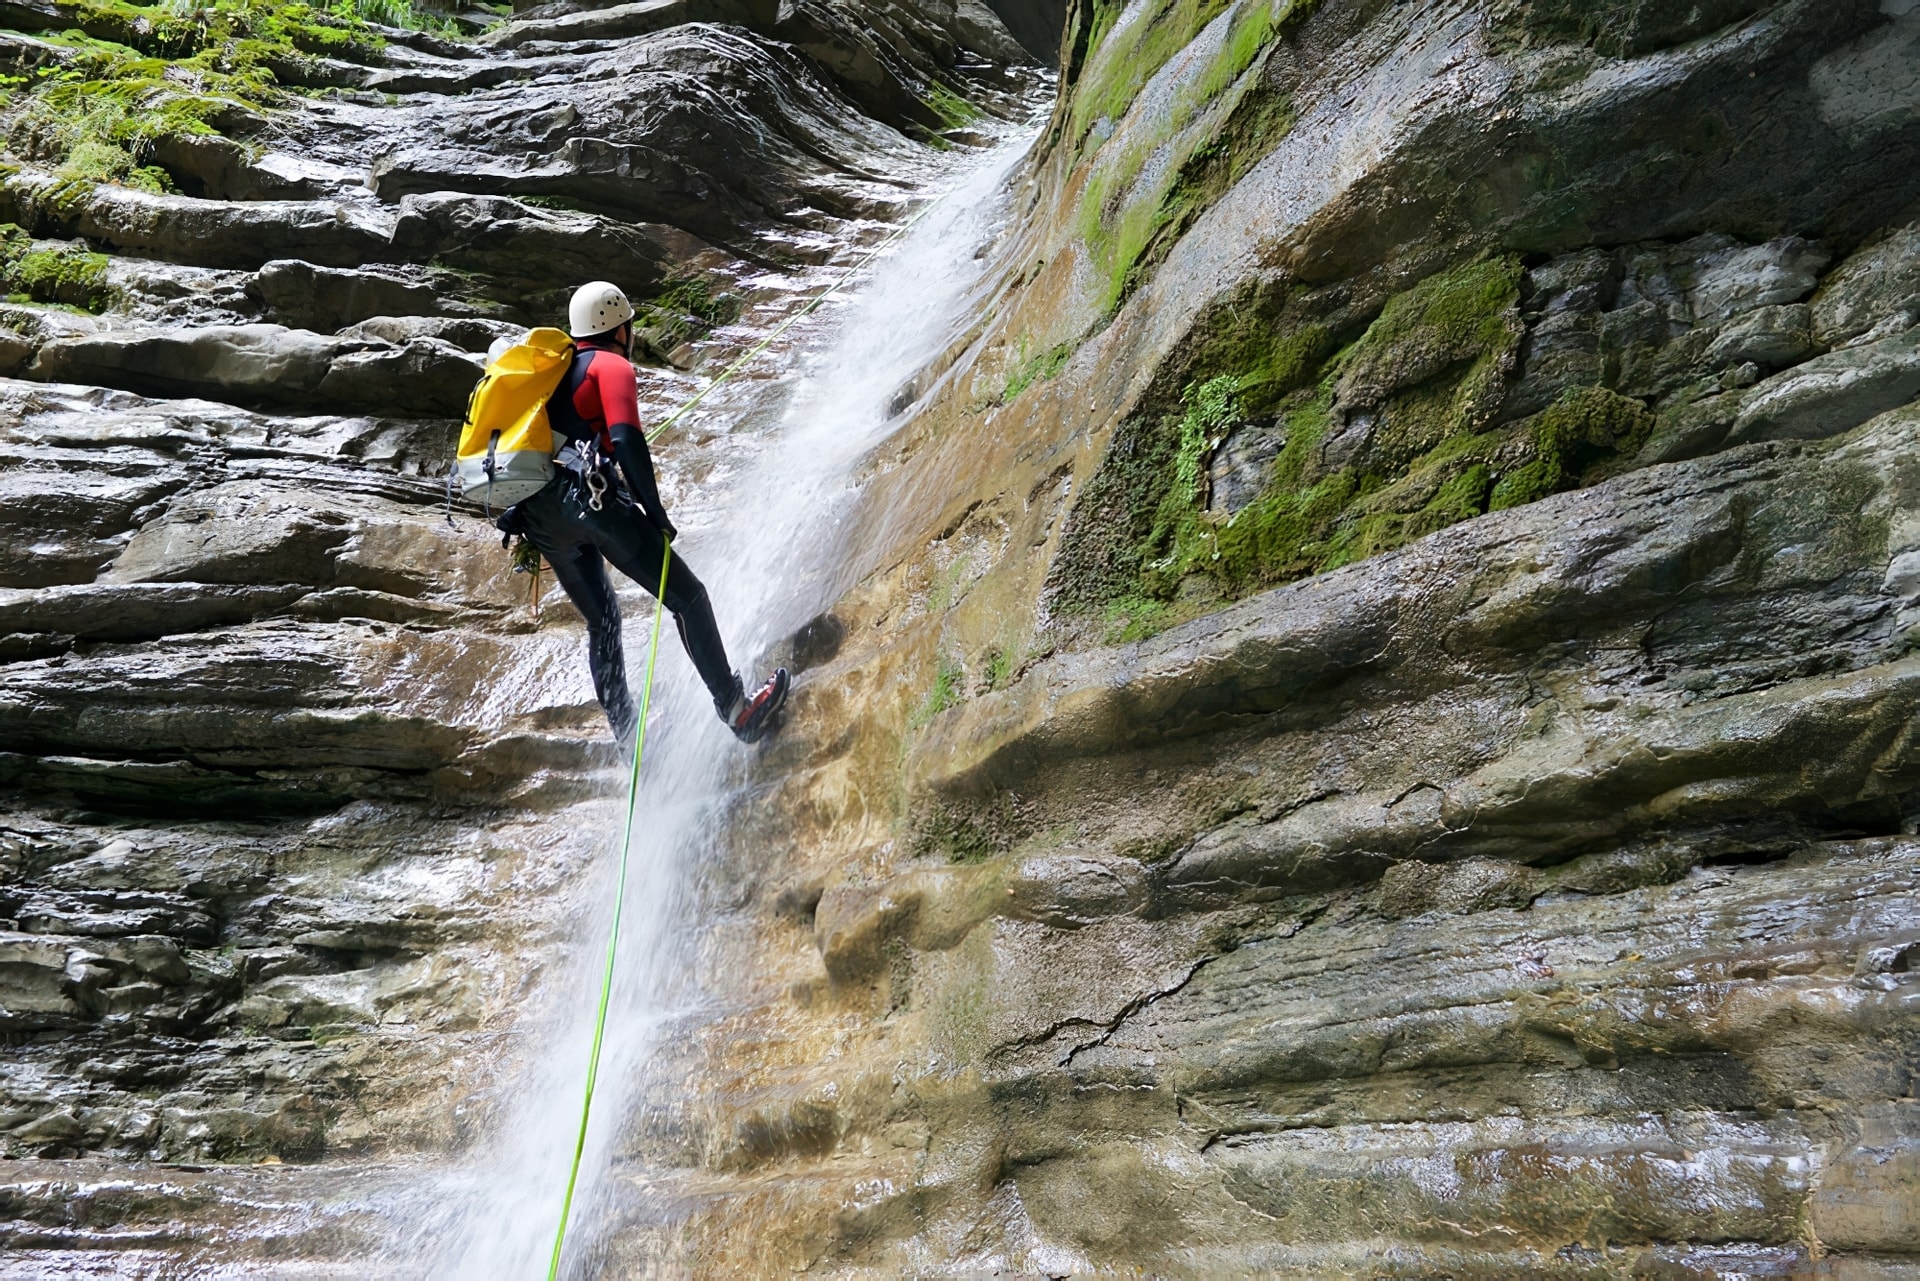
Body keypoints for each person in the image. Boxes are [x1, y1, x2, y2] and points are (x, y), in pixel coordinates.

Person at [498, 281, 788, 745]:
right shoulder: (609, 366)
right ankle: (735, 707)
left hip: (539, 516)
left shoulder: (557, 372)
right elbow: (628, 440)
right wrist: (656, 514)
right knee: (687, 597)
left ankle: (628, 742)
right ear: (620, 327)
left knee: (603, 621)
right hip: (589, 502)